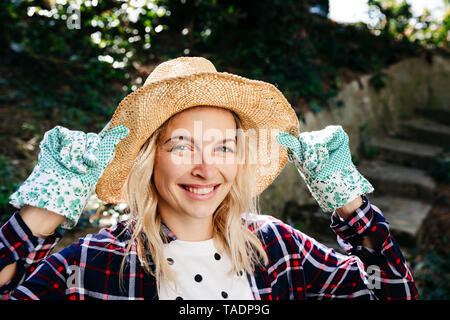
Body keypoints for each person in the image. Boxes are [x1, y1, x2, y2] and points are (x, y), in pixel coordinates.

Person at [0, 57, 417, 300]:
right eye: (182, 145)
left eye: (223, 147)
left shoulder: (277, 247)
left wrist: (349, 202)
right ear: (150, 159)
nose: (206, 167)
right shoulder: (93, 262)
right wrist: (43, 211)